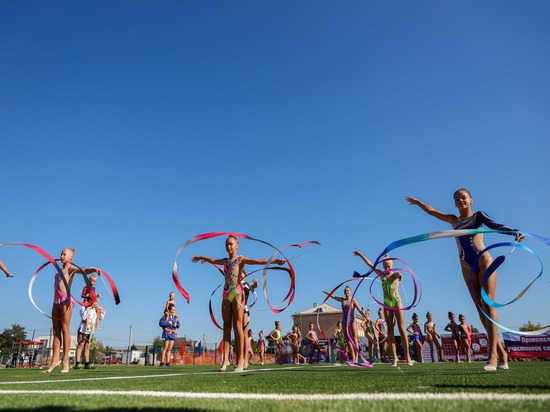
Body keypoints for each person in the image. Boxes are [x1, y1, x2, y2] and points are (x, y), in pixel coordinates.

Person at [406, 190, 524, 371]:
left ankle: (492, 356)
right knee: (479, 309)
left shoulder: (478, 216)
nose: (460, 200)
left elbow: (496, 225)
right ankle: (502, 354)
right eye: (456, 199)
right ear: (454, 203)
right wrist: (419, 203)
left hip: (484, 261)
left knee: (488, 304)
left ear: (470, 200)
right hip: (466, 266)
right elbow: (432, 211)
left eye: (463, 197)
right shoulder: (454, 220)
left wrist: (515, 232)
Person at [192, 236, 285, 372]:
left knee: (237, 326)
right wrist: (202, 257)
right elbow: (213, 260)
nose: (228, 246)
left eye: (231, 244)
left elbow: (258, 261)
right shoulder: (225, 261)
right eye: (226, 245)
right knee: (226, 326)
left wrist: (275, 261)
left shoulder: (240, 259)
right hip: (226, 293)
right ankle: (225, 361)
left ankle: (240, 359)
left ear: (237, 246)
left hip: (237, 292)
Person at [353, 251, 413, 367]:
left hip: (396, 301)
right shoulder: (381, 275)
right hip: (386, 303)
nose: (387, 268)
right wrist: (360, 255)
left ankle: (408, 357)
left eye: (388, 266)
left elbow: (399, 275)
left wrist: (400, 276)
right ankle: (394, 357)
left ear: (392, 266)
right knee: (390, 329)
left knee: (401, 328)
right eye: (385, 267)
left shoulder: (394, 274)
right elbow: (371, 265)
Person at [43, 248, 98, 373]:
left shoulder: (70, 269)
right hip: (55, 301)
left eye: (64, 254)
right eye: (61, 253)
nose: (61, 255)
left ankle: (65, 361)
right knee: (56, 331)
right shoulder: (58, 271)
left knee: (64, 329)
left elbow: (82, 271)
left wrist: (94, 270)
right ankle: (55, 360)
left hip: (66, 300)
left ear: (71, 258)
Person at [323, 285, 368, 363]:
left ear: (350, 292)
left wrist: (365, 316)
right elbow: (334, 297)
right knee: (348, 341)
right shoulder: (342, 300)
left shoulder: (353, 301)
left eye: (348, 290)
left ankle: (357, 357)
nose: (346, 292)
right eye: (345, 291)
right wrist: (327, 293)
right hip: (344, 320)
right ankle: (353, 356)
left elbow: (360, 310)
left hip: (352, 320)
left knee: (355, 339)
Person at [74, 300, 99, 370]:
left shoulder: (94, 310)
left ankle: (87, 363)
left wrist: (100, 311)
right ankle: (77, 363)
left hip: (91, 330)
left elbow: (99, 318)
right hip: (83, 329)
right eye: (94, 302)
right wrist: (88, 308)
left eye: (96, 302)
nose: (96, 304)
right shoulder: (83, 308)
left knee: (87, 346)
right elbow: (84, 317)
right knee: (80, 345)